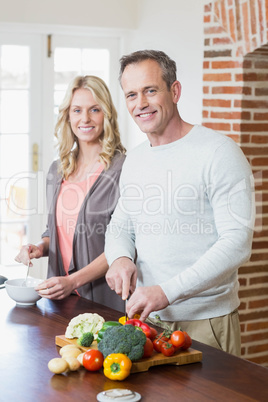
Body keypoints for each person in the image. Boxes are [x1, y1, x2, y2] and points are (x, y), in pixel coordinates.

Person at [104, 50, 255, 354]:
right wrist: (119, 257)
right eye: (131, 94)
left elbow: (237, 242)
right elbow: (121, 225)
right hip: (150, 320)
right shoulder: (135, 159)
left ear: (174, 91)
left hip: (206, 321)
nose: (140, 103)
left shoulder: (218, 152)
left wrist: (167, 292)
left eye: (150, 90)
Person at [15, 75, 126, 311]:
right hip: (59, 298)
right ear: (68, 116)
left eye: (94, 109)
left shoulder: (122, 169)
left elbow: (125, 245)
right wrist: (39, 247)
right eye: (77, 110)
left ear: (106, 114)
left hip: (104, 300)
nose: (85, 118)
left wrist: (73, 281)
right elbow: (54, 231)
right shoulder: (58, 169)